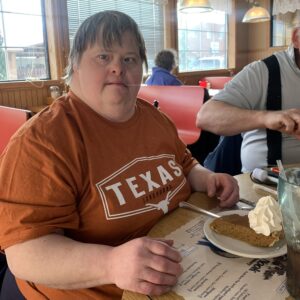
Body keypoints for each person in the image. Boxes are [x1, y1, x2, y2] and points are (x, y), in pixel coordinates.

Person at [0, 11, 239, 300]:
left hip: (187, 269)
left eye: (129, 59)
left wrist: (207, 177)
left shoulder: (154, 117)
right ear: (75, 64)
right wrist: (111, 264)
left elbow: (186, 163)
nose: (118, 68)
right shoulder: (42, 143)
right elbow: (25, 255)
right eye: (103, 57)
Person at [197, 26, 300, 173]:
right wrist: (266, 117)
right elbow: (205, 117)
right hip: (267, 185)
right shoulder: (264, 71)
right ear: (297, 38)